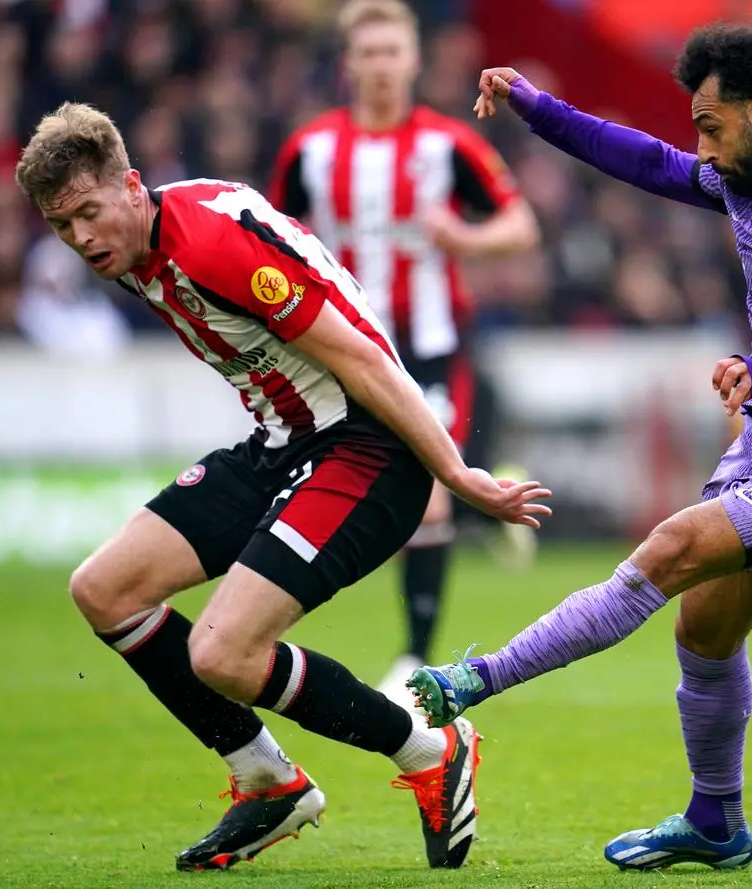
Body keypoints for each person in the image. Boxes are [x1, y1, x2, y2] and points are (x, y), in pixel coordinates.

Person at [410, 22, 752, 872]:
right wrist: (538, 109)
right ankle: (716, 821)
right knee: (704, 631)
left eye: (712, 127)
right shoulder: (746, 175)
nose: (703, 150)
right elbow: (646, 161)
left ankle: (476, 681)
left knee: (673, 546)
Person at [13, 102, 550, 872]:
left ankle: (429, 749)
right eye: (64, 227)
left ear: (131, 186)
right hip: (282, 444)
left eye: (91, 214)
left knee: (221, 652)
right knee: (104, 588)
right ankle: (267, 779)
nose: (83, 239)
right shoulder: (132, 255)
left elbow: (365, 360)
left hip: (367, 450)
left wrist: (456, 472)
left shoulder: (213, 242)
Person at [268, 0, 541, 701]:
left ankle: (414, 653)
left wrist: (463, 238)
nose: (383, 65)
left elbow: (519, 225)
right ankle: (487, 495)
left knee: (427, 499)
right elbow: (269, 238)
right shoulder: (310, 149)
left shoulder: (448, 144)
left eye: (394, 52)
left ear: (415, 61)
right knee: (347, 483)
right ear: (349, 64)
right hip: (339, 348)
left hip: (428, 348)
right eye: (371, 53)